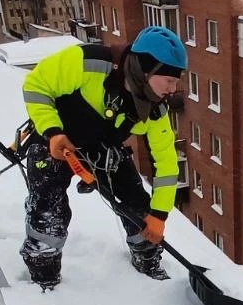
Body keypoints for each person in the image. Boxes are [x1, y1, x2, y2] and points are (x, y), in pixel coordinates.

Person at [19, 25, 187, 289]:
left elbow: (166, 164)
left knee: (138, 206)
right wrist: (52, 131)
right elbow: (36, 84)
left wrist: (159, 215)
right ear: (147, 70)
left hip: (101, 147)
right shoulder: (89, 62)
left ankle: (148, 265)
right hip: (54, 141)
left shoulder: (154, 110)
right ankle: (45, 279)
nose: (173, 88)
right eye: (169, 80)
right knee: (49, 213)